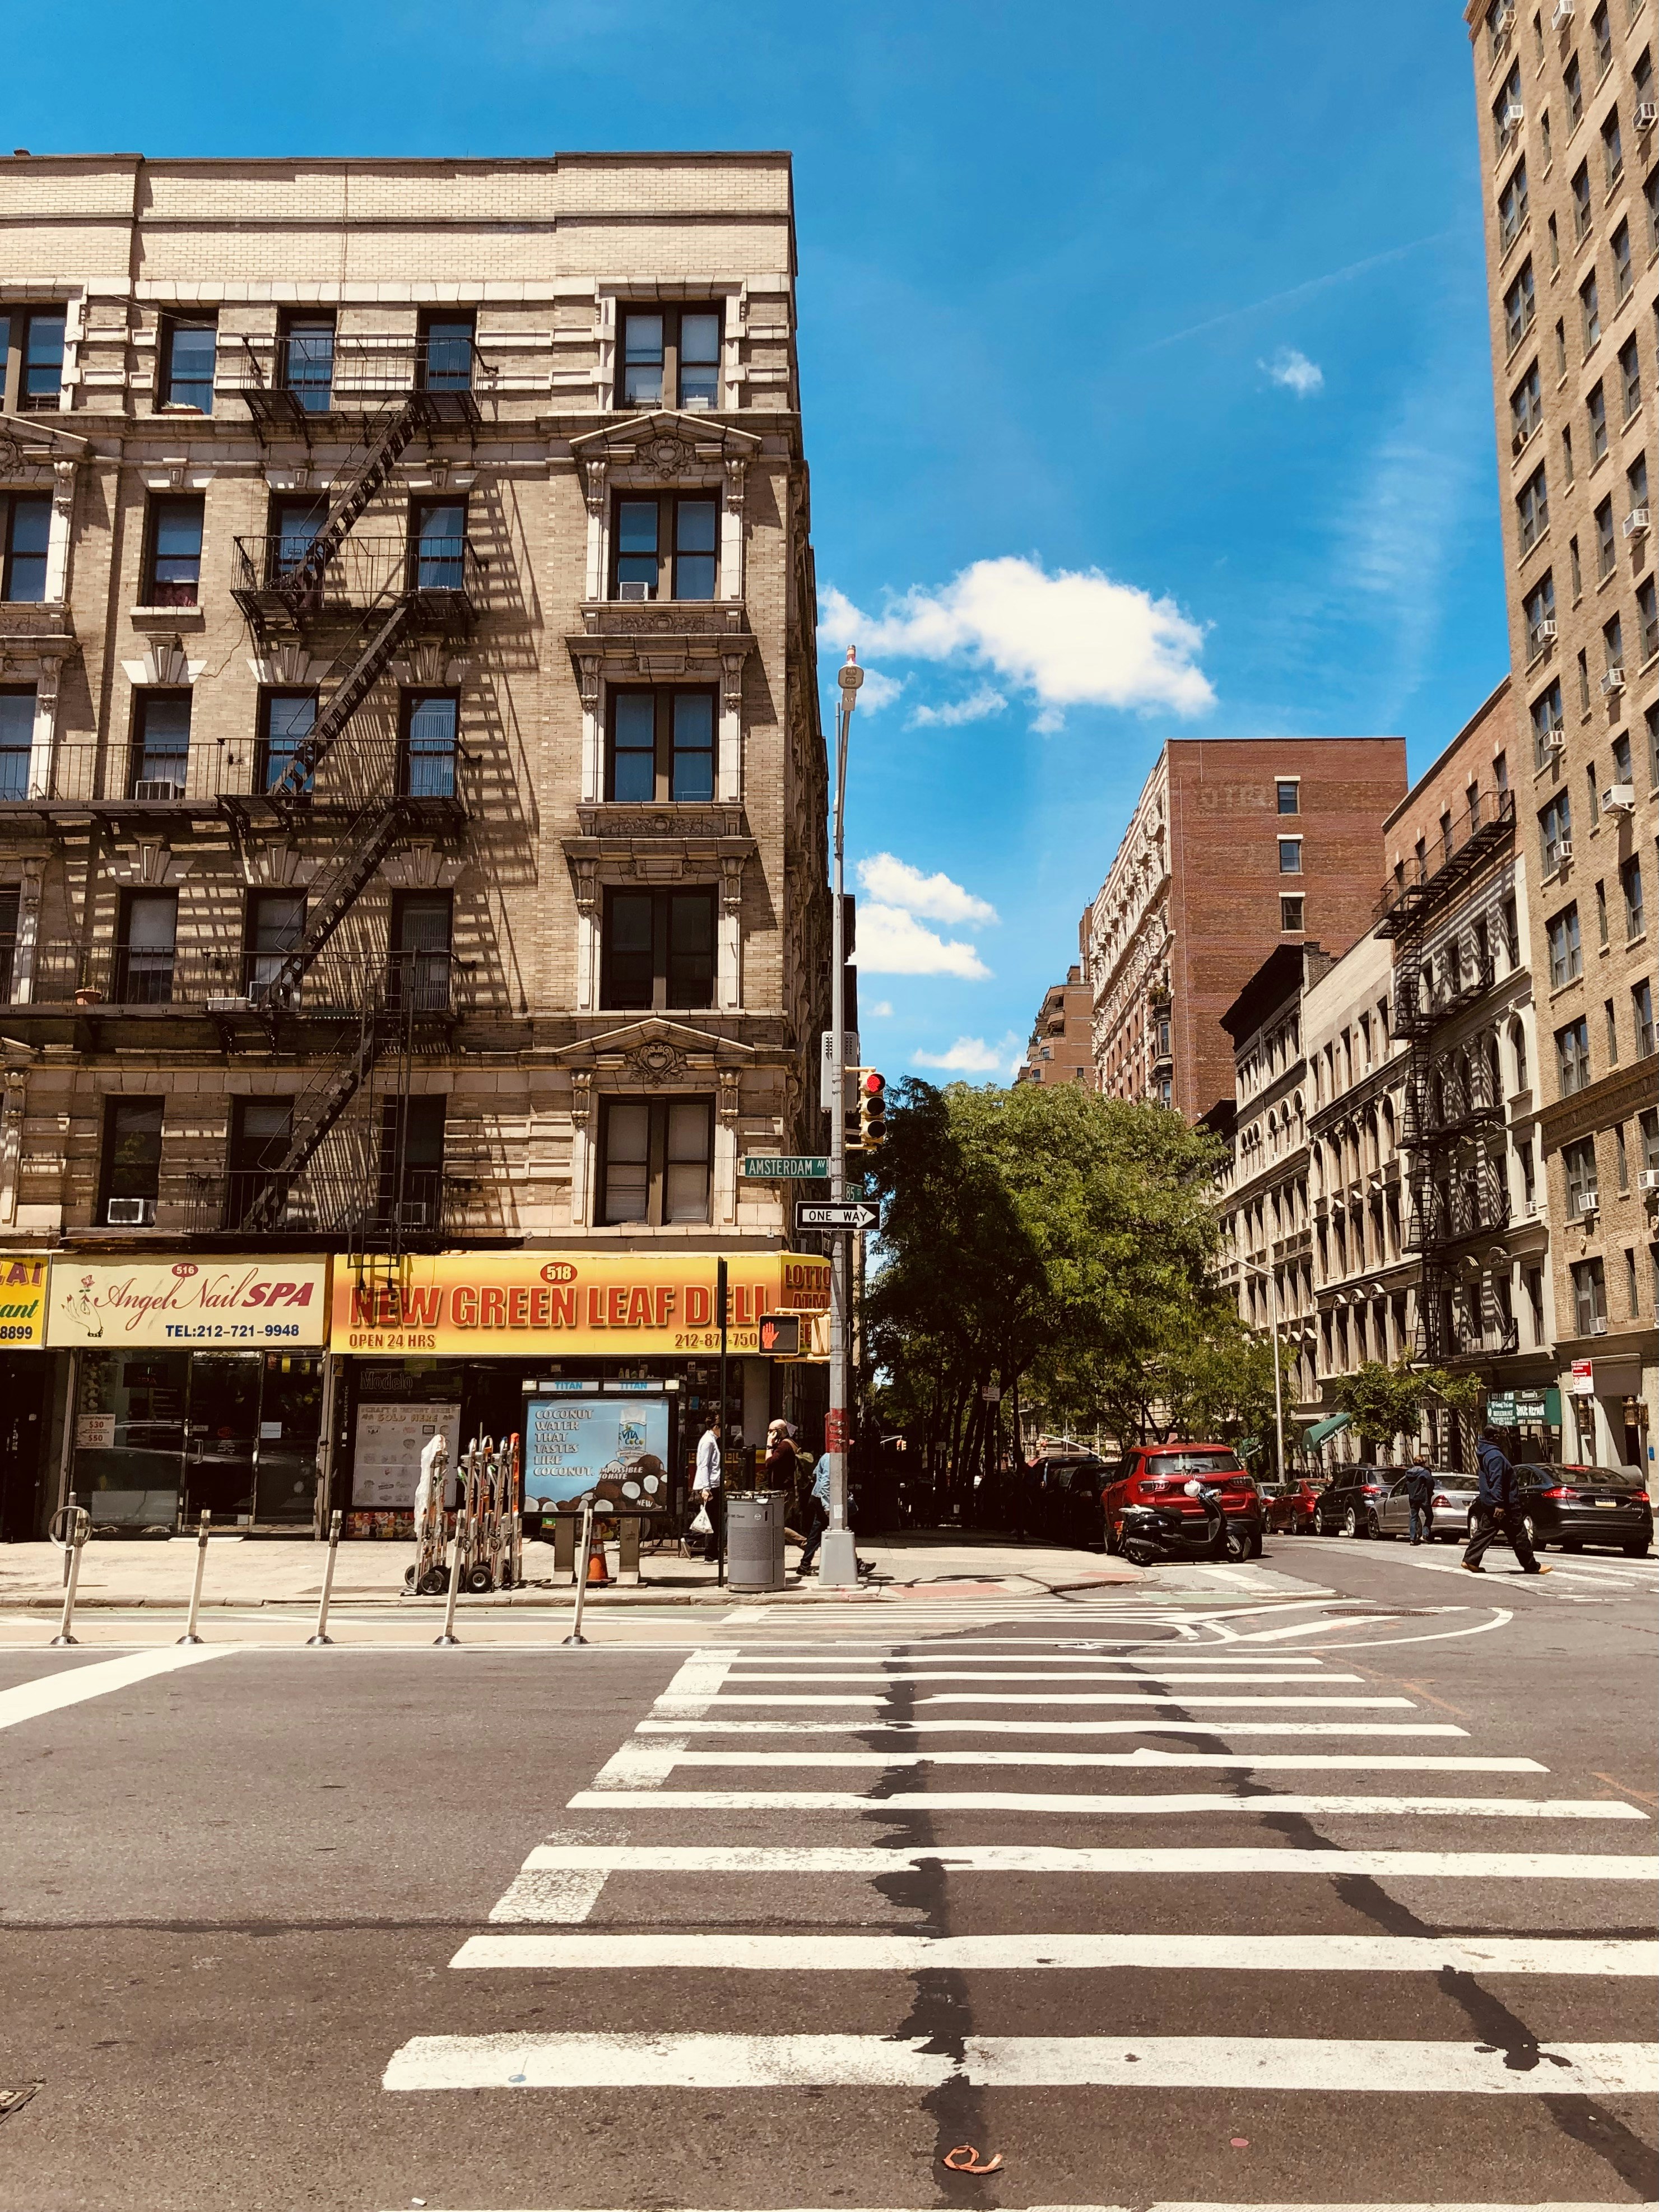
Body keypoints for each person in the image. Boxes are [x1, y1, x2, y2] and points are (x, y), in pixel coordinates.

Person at [1463, 1426, 1551, 1576]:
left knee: (1484, 1532)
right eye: (1503, 1434)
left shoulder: (1487, 1453)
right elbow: (1497, 1481)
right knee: (1519, 1534)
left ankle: (1471, 1559)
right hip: (1506, 1505)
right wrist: (1500, 1505)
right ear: (1495, 1437)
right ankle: (1532, 1566)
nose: (1506, 1437)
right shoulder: (1495, 1456)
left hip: (1492, 1503)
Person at [692, 1414, 723, 1564]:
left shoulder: (712, 1441)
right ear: (716, 1427)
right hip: (711, 1485)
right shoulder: (708, 1442)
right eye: (721, 1428)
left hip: (713, 1484)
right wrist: (706, 1488)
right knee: (711, 1520)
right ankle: (710, 1554)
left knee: (714, 1519)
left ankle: (713, 1553)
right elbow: (704, 1465)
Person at [795, 1448, 830, 1576]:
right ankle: (857, 1564)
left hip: (816, 1497)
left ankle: (804, 1565)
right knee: (841, 1531)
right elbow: (826, 1483)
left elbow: (816, 1473)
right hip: (824, 1500)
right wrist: (828, 1507)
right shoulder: (833, 1459)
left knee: (815, 1535)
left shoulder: (825, 1456)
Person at [1404, 1456, 1436, 1546]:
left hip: (1413, 1498)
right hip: (1423, 1497)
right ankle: (1425, 1535)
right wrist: (1429, 1493)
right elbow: (1430, 1483)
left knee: (1413, 1517)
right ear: (1422, 1463)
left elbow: (1406, 1485)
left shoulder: (1408, 1473)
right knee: (1430, 1516)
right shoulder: (1425, 1473)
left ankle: (1413, 1538)